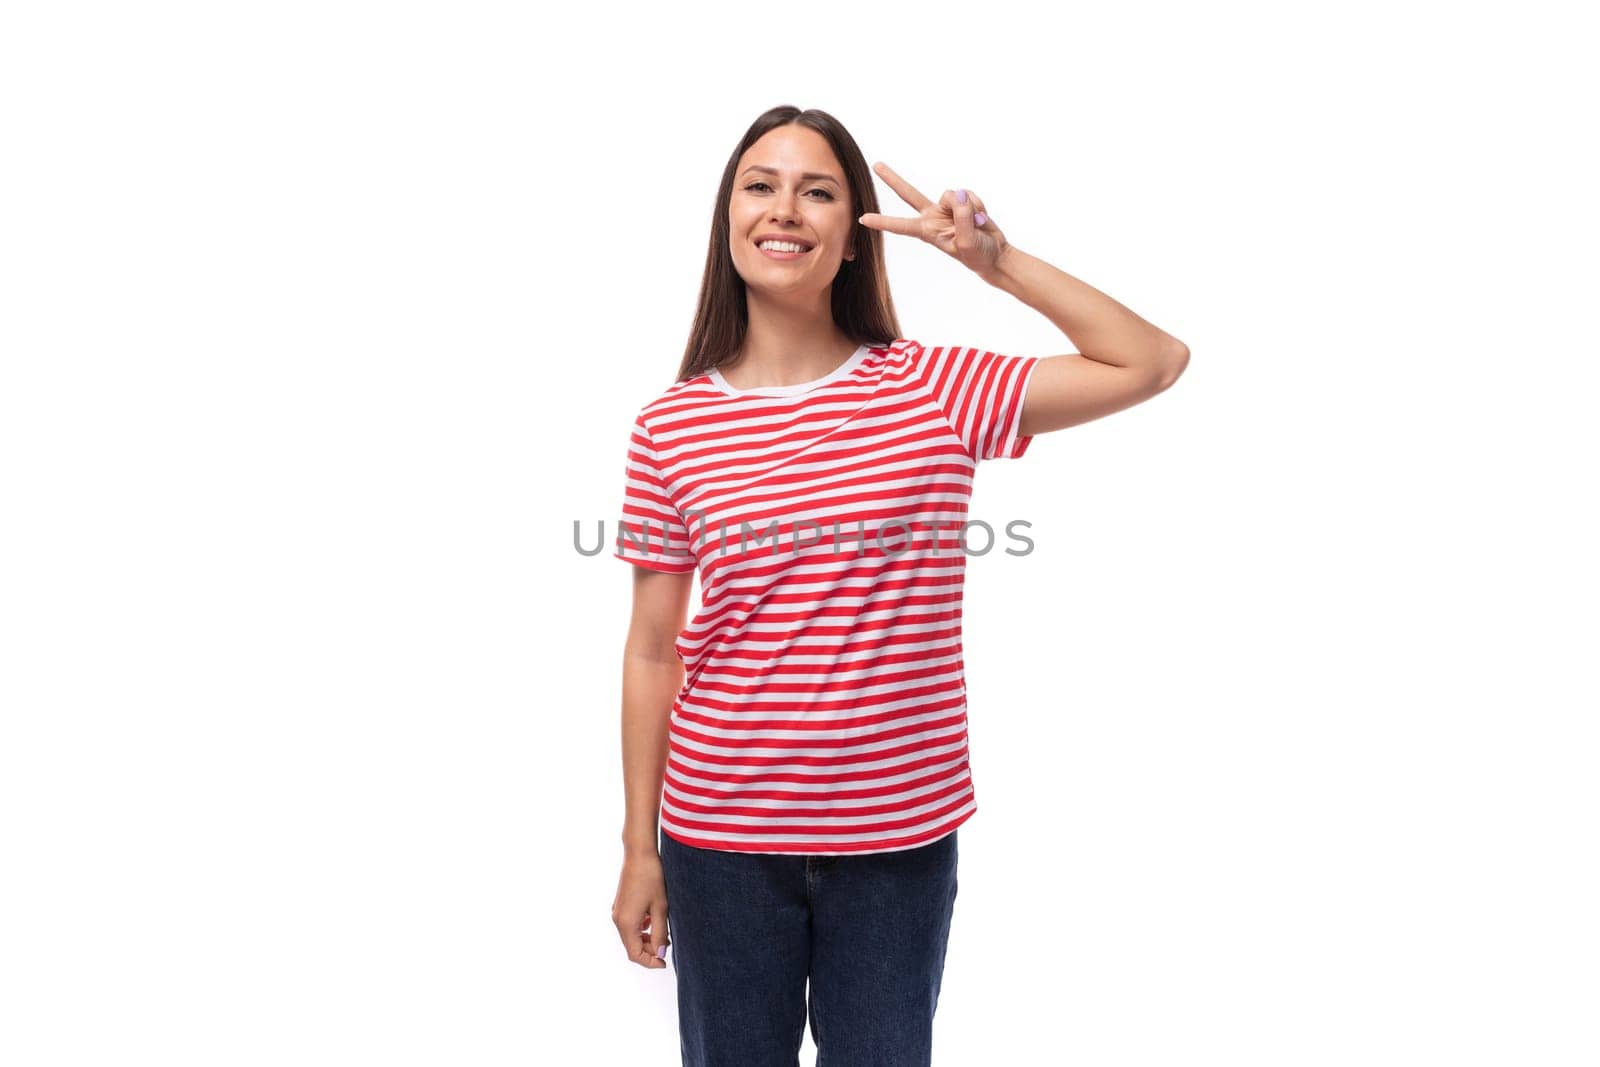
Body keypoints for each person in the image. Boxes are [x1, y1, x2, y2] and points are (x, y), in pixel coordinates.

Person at [610, 104, 1189, 1066]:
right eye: (760, 184)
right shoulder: (670, 425)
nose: (783, 208)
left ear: (852, 237)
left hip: (898, 837)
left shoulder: (930, 388)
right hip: (719, 836)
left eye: (818, 190)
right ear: (728, 218)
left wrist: (994, 265)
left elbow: (1152, 360)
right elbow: (651, 647)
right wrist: (640, 847)